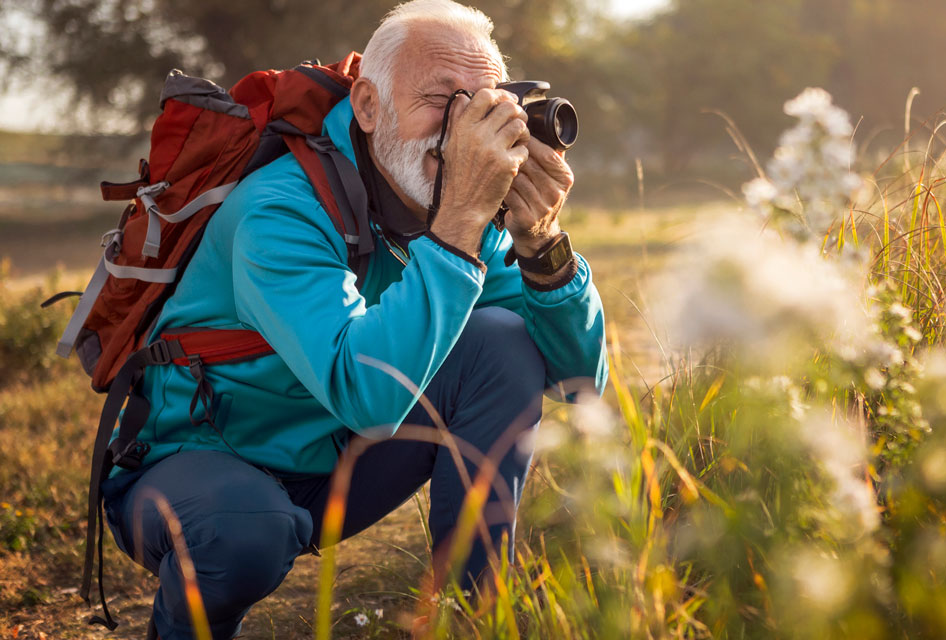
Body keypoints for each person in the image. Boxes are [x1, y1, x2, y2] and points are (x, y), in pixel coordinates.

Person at [96, 1, 607, 638]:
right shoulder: (279, 208)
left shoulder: (453, 206)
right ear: (368, 107)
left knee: (501, 342)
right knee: (246, 531)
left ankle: (471, 620)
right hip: (201, 469)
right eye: (440, 99)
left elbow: (581, 387)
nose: (460, 130)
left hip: (330, 463)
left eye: (481, 104)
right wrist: (454, 234)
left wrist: (543, 247)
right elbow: (369, 398)